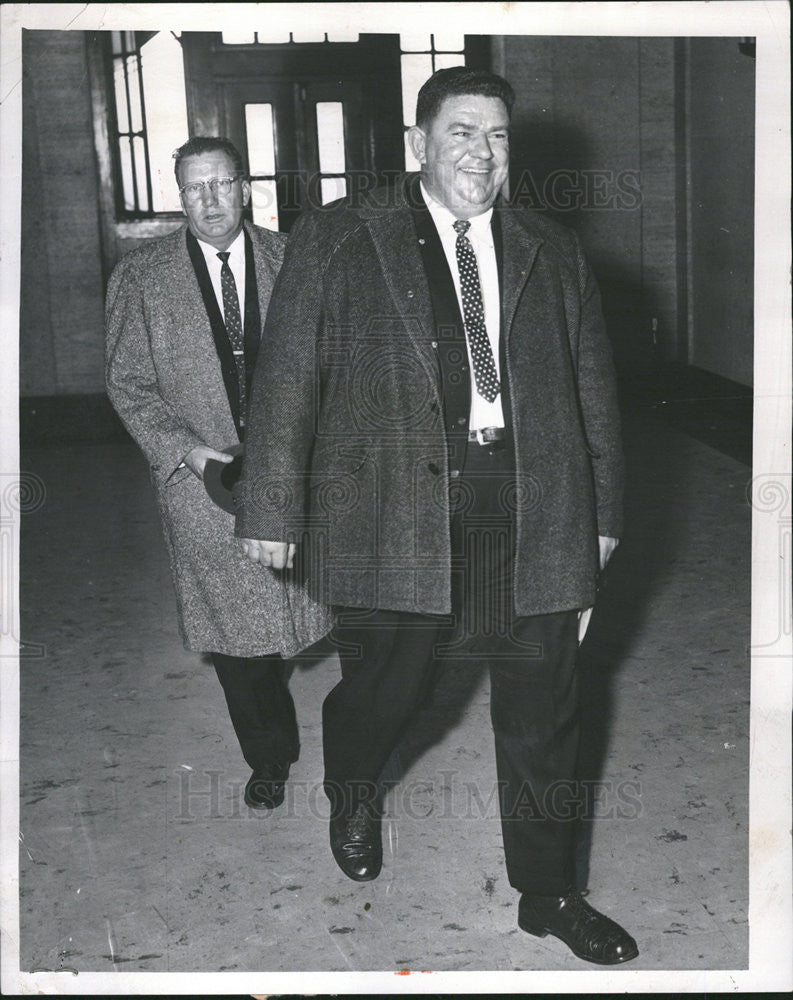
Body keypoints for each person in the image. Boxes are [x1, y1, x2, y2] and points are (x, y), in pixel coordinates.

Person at [236, 69, 638, 965]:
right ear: (418, 144)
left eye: (496, 136)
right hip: (392, 508)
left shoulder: (549, 246)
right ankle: (354, 787)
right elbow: (288, 376)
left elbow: (591, 390)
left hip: (532, 506)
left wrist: (602, 512)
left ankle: (549, 894)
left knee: (545, 709)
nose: (481, 154)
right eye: (461, 133)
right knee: (392, 688)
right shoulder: (342, 237)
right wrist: (270, 503)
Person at [105, 136, 331, 812]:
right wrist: (190, 451)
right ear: (179, 198)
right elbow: (129, 385)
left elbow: (328, 360)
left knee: (295, 615)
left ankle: (317, 727)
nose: (209, 201)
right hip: (200, 479)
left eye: (221, 184)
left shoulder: (291, 258)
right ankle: (268, 757)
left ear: (244, 187)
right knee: (235, 636)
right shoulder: (141, 279)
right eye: (194, 188)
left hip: (291, 471)